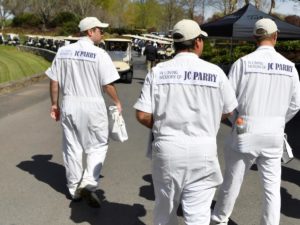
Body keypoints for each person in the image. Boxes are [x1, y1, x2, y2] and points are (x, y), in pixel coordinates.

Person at [134, 19, 238, 225]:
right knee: (198, 215)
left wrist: (164, 125)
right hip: (203, 149)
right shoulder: (215, 72)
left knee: (165, 210)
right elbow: (228, 110)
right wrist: (208, 120)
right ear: (198, 42)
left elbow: (142, 115)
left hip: (168, 148)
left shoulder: (158, 71)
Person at [211, 18, 300, 225]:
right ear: (276, 36)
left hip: (245, 130)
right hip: (274, 134)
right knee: (271, 189)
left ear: (254, 37)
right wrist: (279, 121)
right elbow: (296, 104)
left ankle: (219, 219)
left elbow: (228, 102)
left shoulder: (242, 63)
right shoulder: (290, 67)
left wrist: (236, 121)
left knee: (232, 182)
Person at [45, 17, 122, 207]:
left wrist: (55, 104)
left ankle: (74, 189)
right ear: (90, 31)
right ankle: (88, 181)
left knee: (72, 147)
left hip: (70, 102)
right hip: (93, 103)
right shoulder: (100, 54)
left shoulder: (63, 52)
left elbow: (54, 81)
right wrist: (117, 101)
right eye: (99, 30)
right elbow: (107, 84)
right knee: (98, 144)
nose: (101, 33)